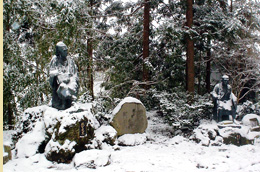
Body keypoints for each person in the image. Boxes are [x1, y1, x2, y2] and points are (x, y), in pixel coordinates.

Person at [49, 42, 79, 110]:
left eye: (66, 50)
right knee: (62, 87)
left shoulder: (70, 60)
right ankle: (61, 104)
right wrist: (58, 74)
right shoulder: (55, 60)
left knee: (73, 85)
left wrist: (72, 79)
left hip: (69, 80)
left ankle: (71, 102)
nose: (66, 51)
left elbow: (74, 72)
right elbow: (51, 73)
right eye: (64, 50)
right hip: (59, 82)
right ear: (59, 51)